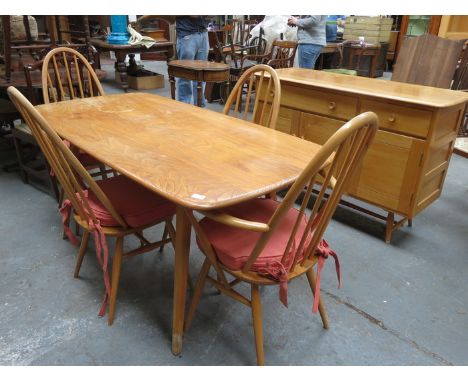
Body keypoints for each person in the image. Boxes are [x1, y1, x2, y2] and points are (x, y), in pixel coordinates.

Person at [175, 16, 209, 106]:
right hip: (187, 34)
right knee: (185, 75)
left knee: (201, 74)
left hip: (203, 33)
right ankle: (184, 109)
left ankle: (200, 108)